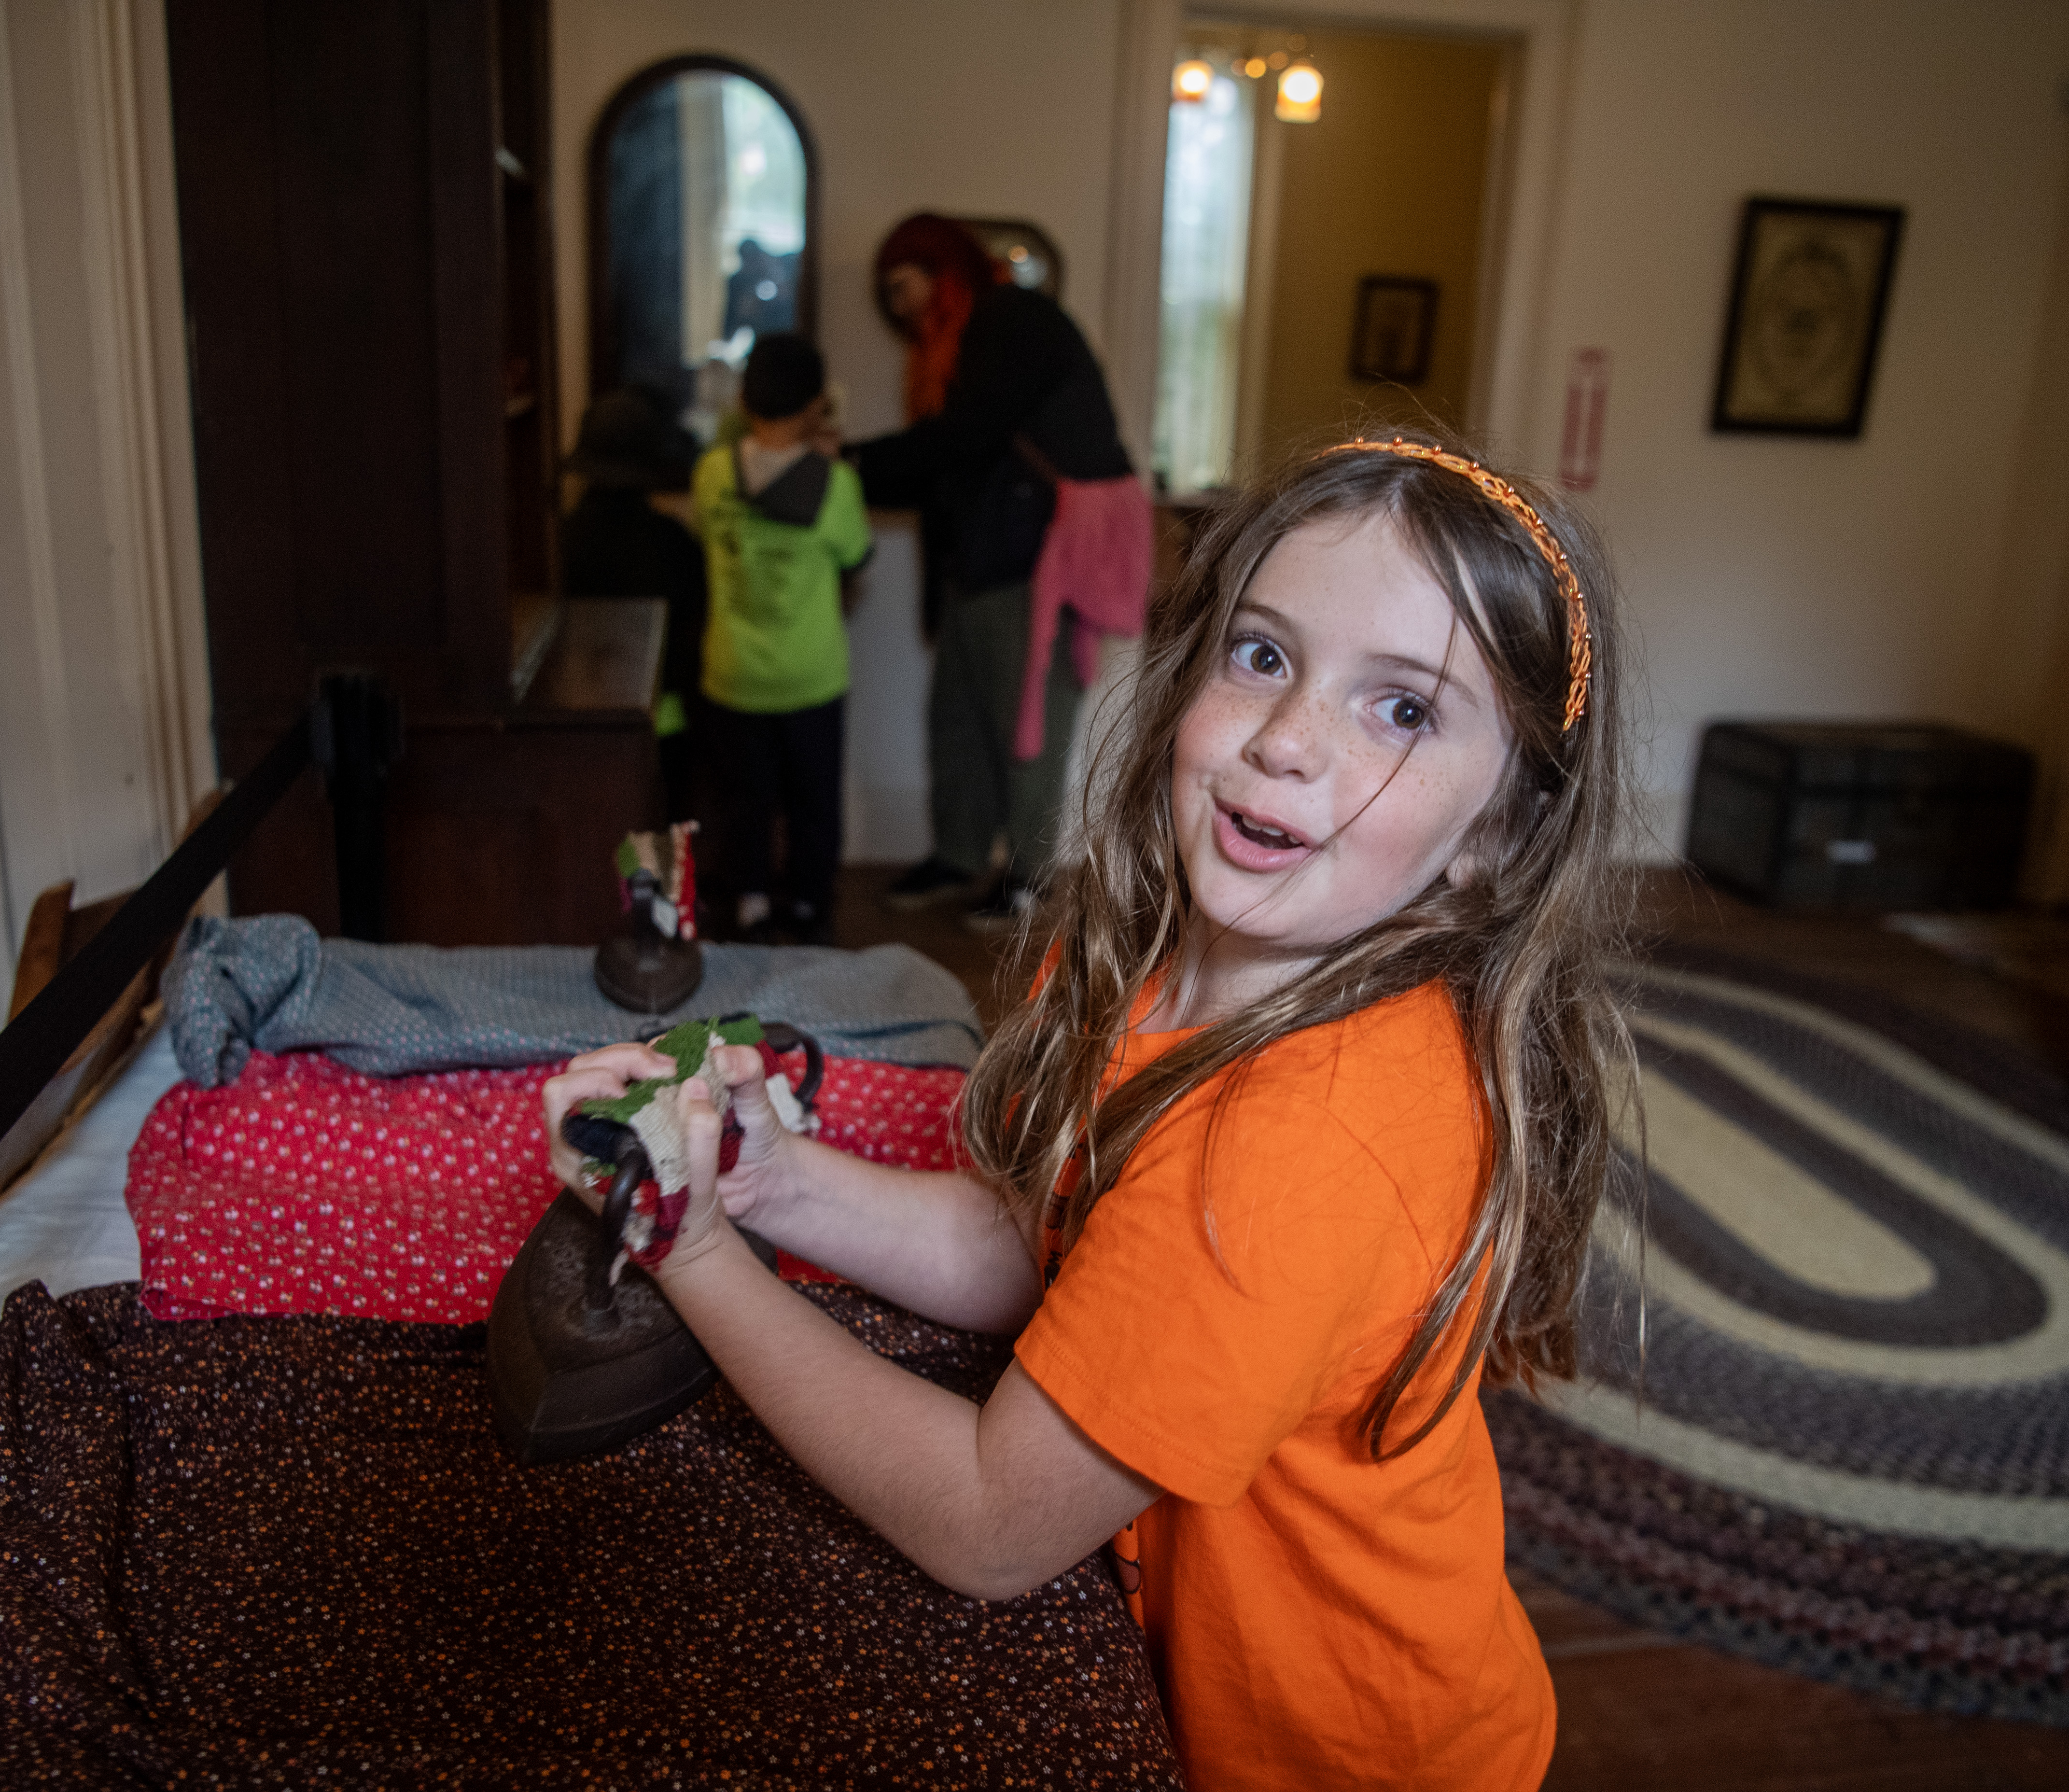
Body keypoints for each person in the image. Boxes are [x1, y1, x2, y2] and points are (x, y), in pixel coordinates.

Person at [541, 430, 1626, 1788]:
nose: (1288, 739)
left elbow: (992, 1524)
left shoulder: (1295, 1148)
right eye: (1265, 655)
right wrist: (775, 1182)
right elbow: (1049, 1254)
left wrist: (688, 1248)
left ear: (1499, 837)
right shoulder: (1145, 959)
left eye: (1402, 709)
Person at [852, 214, 1138, 933]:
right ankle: (959, 856)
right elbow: (954, 463)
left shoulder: (1007, 322)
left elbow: (961, 441)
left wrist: (850, 463)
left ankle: (1031, 879)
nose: (899, 306)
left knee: (1028, 726)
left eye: (902, 285)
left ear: (939, 270)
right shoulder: (962, 340)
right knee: (960, 723)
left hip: (1036, 562)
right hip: (982, 564)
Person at [690, 334, 873, 945]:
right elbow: (856, 554)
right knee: (813, 806)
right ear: (818, 405)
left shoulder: (713, 472)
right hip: (810, 676)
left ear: (742, 398)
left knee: (743, 803)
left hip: (732, 673)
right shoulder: (835, 484)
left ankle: (747, 904)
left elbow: (720, 483)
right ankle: (807, 908)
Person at [559, 388, 709, 820]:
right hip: (664, 721)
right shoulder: (674, 543)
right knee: (660, 847)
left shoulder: (559, 544)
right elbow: (693, 633)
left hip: (582, 725)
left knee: (596, 843)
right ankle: (661, 891)